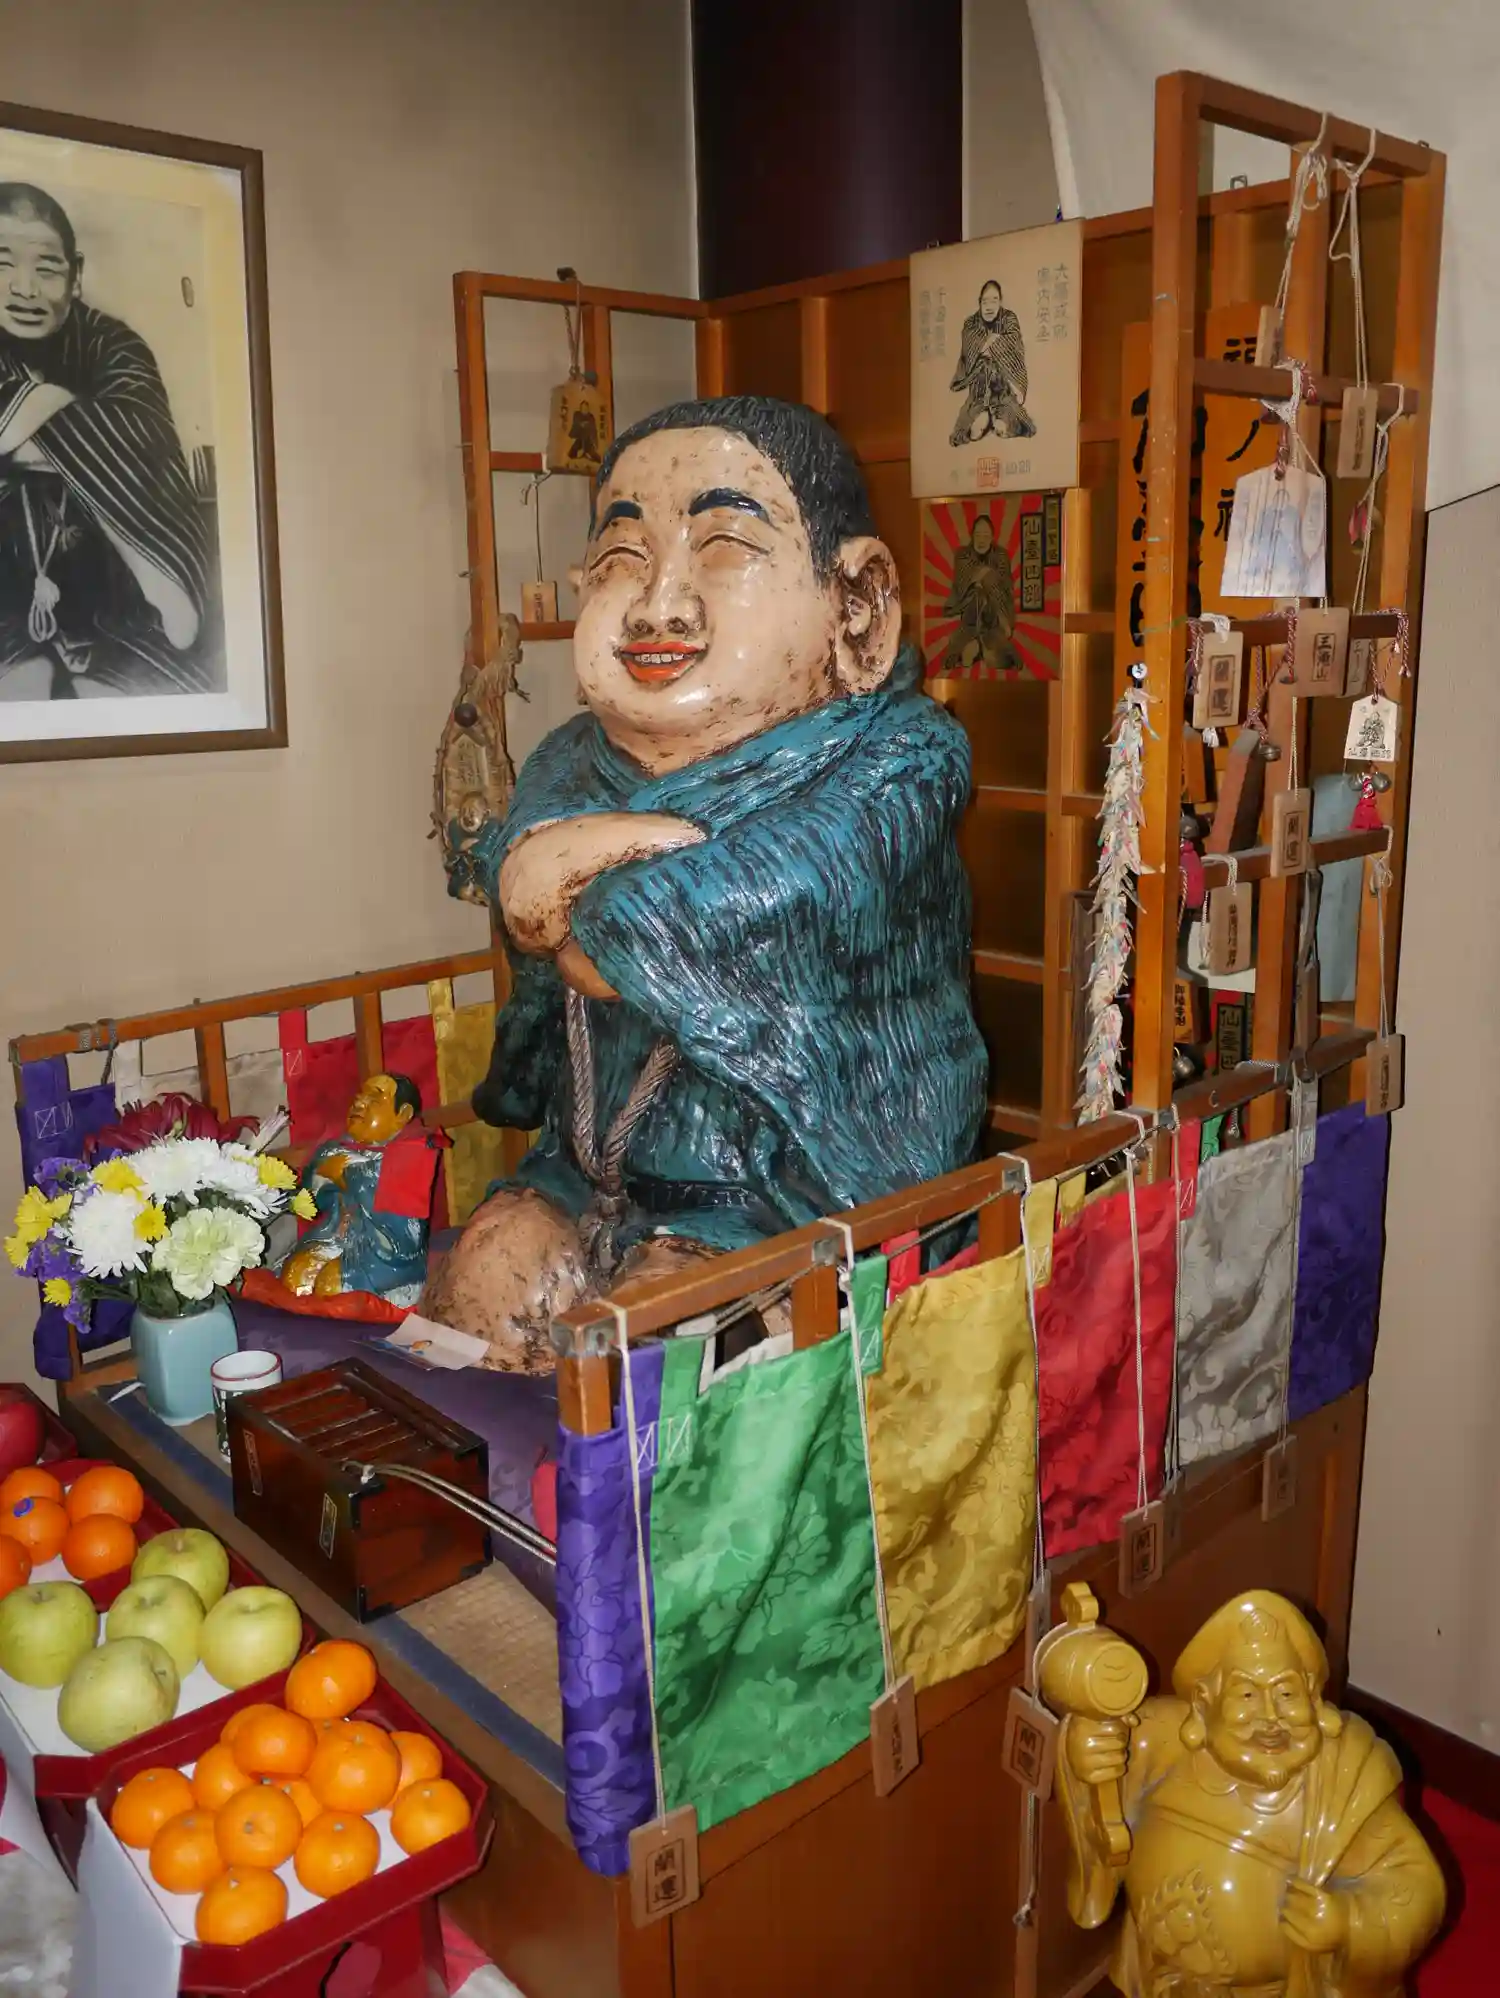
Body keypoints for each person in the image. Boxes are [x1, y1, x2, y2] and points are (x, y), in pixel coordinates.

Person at [423, 394, 988, 1371]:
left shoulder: (903, 760)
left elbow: (671, 920)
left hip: (804, 1196)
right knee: (485, 1283)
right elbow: (519, 889)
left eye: (724, 547)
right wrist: (642, 847)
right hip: (588, 1170)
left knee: (657, 1356)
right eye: (622, 556)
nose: (660, 605)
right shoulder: (572, 759)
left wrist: (589, 882)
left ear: (856, 606)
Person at [1056, 1591, 1445, 1997]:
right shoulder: (1158, 1741)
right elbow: (1099, 1778)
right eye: (1246, 1695)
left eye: (1287, 1694)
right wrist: (1088, 1756)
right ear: (1204, 1704)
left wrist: (1347, 1921)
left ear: (1314, 1699)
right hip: (1163, 1979)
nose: (1270, 1717)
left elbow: (1415, 1887)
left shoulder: (1347, 1778)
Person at [0, 182, 215, 701]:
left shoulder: (112, 343)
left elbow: (144, 440)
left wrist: (25, 420)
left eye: (46, 269)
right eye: (2, 265)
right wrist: (71, 412)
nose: (24, 289)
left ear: (75, 276)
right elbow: (115, 441)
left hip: (116, 598)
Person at [277, 1073, 437, 1306]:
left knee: (332, 1287)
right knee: (295, 1276)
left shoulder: (411, 1154)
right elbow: (311, 1201)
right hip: (337, 1238)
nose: (359, 1102)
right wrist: (322, 1176)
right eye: (359, 1096)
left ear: (402, 1115)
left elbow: (401, 1228)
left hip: (386, 1255)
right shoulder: (337, 1148)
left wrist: (347, 1175)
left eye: (374, 1099)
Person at [948, 278, 1035, 446]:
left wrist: (991, 347)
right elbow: (973, 350)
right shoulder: (970, 324)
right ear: (979, 302)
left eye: (994, 300)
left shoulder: (1009, 319)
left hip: (1002, 391)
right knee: (967, 430)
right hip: (979, 392)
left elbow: (1013, 348)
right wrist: (993, 341)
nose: (989, 306)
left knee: (1013, 423)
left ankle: (997, 421)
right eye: (985, 301)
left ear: (1000, 302)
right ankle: (984, 420)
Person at [941, 511, 1019, 675]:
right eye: (978, 535)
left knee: (998, 654)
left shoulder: (1001, 555)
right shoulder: (962, 555)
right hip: (970, 603)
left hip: (995, 609)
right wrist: (985, 574)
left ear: (992, 537)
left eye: (986, 535)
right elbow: (964, 582)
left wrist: (985, 578)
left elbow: (1005, 585)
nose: (982, 539)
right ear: (972, 535)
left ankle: (979, 648)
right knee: (980, 594)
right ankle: (974, 648)